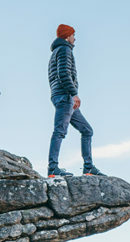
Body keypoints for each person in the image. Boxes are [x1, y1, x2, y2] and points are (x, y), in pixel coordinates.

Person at [47, 24, 104, 177]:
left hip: (60, 96)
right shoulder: (65, 50)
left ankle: (88, 167)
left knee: (87, 130)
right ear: (67, 36)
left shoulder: (56, 52)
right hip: (65, 97)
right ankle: (53, 169)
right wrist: (74, 94)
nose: (75, 38)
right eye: (73, 35)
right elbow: (63, 73)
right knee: (60, 131)